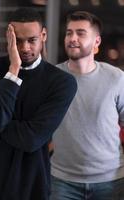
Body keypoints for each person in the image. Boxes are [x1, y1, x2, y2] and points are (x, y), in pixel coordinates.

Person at [0, 7, 77, 200]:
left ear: (43, 35)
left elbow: (31, 140)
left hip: (31, 185)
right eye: (18, 41)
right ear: (8, 37)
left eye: (32, 40)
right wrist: (14, 69)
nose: (25, 48)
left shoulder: (61, 82)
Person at [50, 11, 124, 200]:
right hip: (62, 181)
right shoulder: (52, 77)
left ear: (97, 42)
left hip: (110, 181)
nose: (72, 38)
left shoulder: (116, 78)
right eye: (69, 33)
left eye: (81, 33)